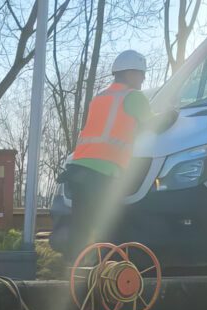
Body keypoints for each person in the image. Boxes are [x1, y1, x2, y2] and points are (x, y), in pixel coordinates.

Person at [53, 50, 176, 257]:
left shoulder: (100, 98)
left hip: (79, 169)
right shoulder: (134, 97)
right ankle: (110, 269)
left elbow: (113, 128)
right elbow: (153, 124)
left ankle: (74, 269)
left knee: (81, 227)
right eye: (141, 74)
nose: (143, 78)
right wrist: (171, 116)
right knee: (110, 227)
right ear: (129, 73)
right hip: (104, 172)